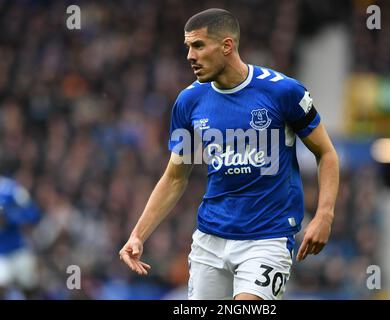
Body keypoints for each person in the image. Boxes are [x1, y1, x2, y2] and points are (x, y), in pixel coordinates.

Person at [119, 8, 339, 300]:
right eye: (188, 47)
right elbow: (174, 177)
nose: (190, 56)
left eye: (198, 45)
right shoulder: (189, 102)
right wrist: (138, 235)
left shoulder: (283, 92)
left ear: (227, 46)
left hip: (267, 238)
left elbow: (326, 153)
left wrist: (324, 214)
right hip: (210, 240)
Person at [0, 175, 41, 299]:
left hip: (18, 249)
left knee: (30, 287)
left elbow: (33, 213)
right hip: (1, 254)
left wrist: (8, 216)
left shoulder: (10, 188)